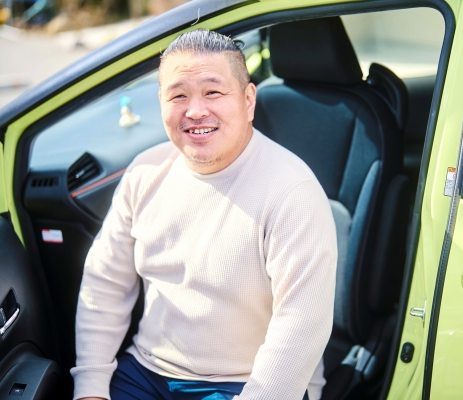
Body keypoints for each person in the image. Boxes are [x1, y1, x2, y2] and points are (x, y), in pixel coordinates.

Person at [71, 29, 337, 400]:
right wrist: (91, 387)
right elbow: (105, 282)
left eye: (213, 92)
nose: (195, 111)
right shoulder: (145, 172)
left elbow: (300, 326)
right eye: (178, 95)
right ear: (161, 103)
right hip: (146, 372)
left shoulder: (292, 191)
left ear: (248, 100)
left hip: (247, 383)